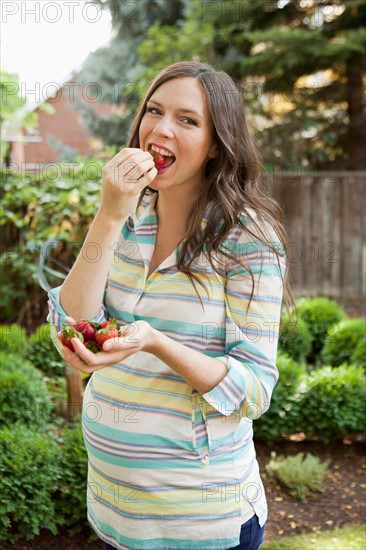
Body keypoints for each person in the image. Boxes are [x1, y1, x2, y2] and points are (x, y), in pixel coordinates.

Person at [48, 61, 293, 550]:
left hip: (200, 522)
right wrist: (109, 213)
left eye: (187, 120)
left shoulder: (247, 240)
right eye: (154, 111)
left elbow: (254, 389)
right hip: (114, 511)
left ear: (217, 144)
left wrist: (157, 342)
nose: (160, 129)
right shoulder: (127, 218)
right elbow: (74, 323)